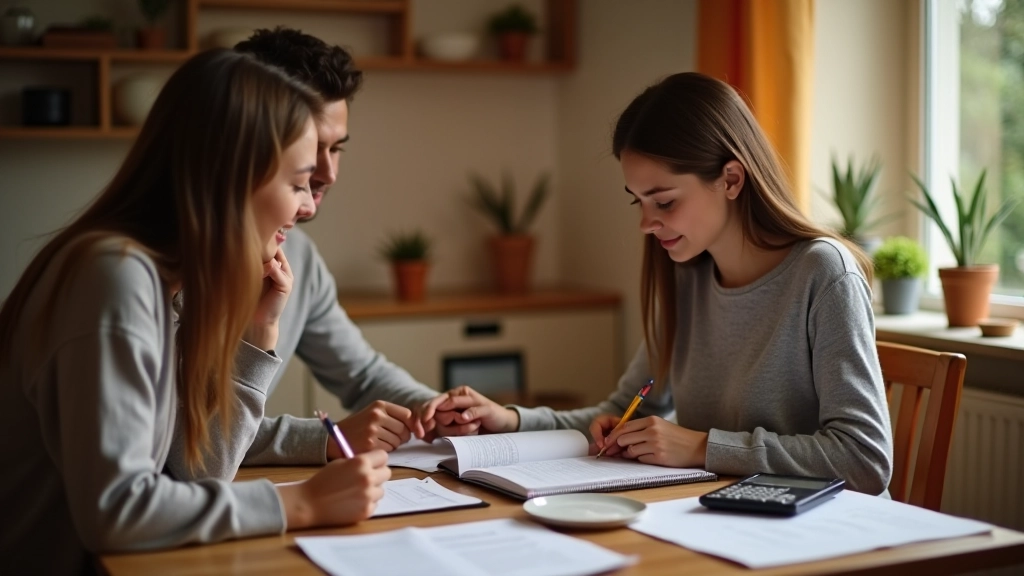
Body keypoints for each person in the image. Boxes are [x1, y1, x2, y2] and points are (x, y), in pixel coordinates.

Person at [0, 49, 390, 575]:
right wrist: (303, 504)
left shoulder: (155, 280)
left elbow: (200, 473)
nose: (306, 207)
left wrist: (260, 331)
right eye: (297, 183)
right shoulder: (114, 277)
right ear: (231, 179)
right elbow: (115, 512)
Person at [420, 72, 894, 495]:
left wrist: (704, 447)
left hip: (827, 537)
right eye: (638, 202)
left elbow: (865, 459)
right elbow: (624, 413)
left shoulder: (823, 273)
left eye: (663, 202)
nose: (646, 224)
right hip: (725, 520)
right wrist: (510, 420)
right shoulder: (686, 275)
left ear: (731, 179)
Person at [202, 28, 472, 475]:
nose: (325, 173)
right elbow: (188, 445)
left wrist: (432, 408)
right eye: (311, 150)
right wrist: (328, 438)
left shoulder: (299, 257)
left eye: (336, 149)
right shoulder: (165, 270)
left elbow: (361, 374)